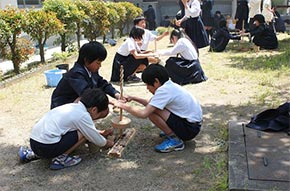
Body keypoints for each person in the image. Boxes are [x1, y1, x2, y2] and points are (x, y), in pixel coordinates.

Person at [114, 64, 202, 153]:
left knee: (151, 113)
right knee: (153, 108)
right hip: (192, 125)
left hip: (189, 129)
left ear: (156, 81)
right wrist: (132, 98)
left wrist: (122, 105)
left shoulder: (163, 91)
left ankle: (174, 139)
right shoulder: (169, 85)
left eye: (148, 84)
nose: (147, 88)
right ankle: (173, 131)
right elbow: (151, 103)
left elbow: (143, 114)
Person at [18, 88, 115, 170]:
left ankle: (32, 154)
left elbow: (88, 130)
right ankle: (60, 159)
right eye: (99, 115)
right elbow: (95, 138)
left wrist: (102, 132)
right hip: (46, 148)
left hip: (34, 143)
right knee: (83, 133)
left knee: (76, 131)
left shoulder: (72, 107)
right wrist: (109, 144)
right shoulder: (83, 116)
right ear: (94, 109)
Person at [50, 41, 121, 109]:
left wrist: (116, 94)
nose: (100, 66)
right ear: (86, 60)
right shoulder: (76, 74)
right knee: (91, 103)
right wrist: (111, 102)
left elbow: (101, 83)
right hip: (62, 107)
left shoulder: (91, 70)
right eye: (98, 63)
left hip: (74, 103)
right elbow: (87, 94)